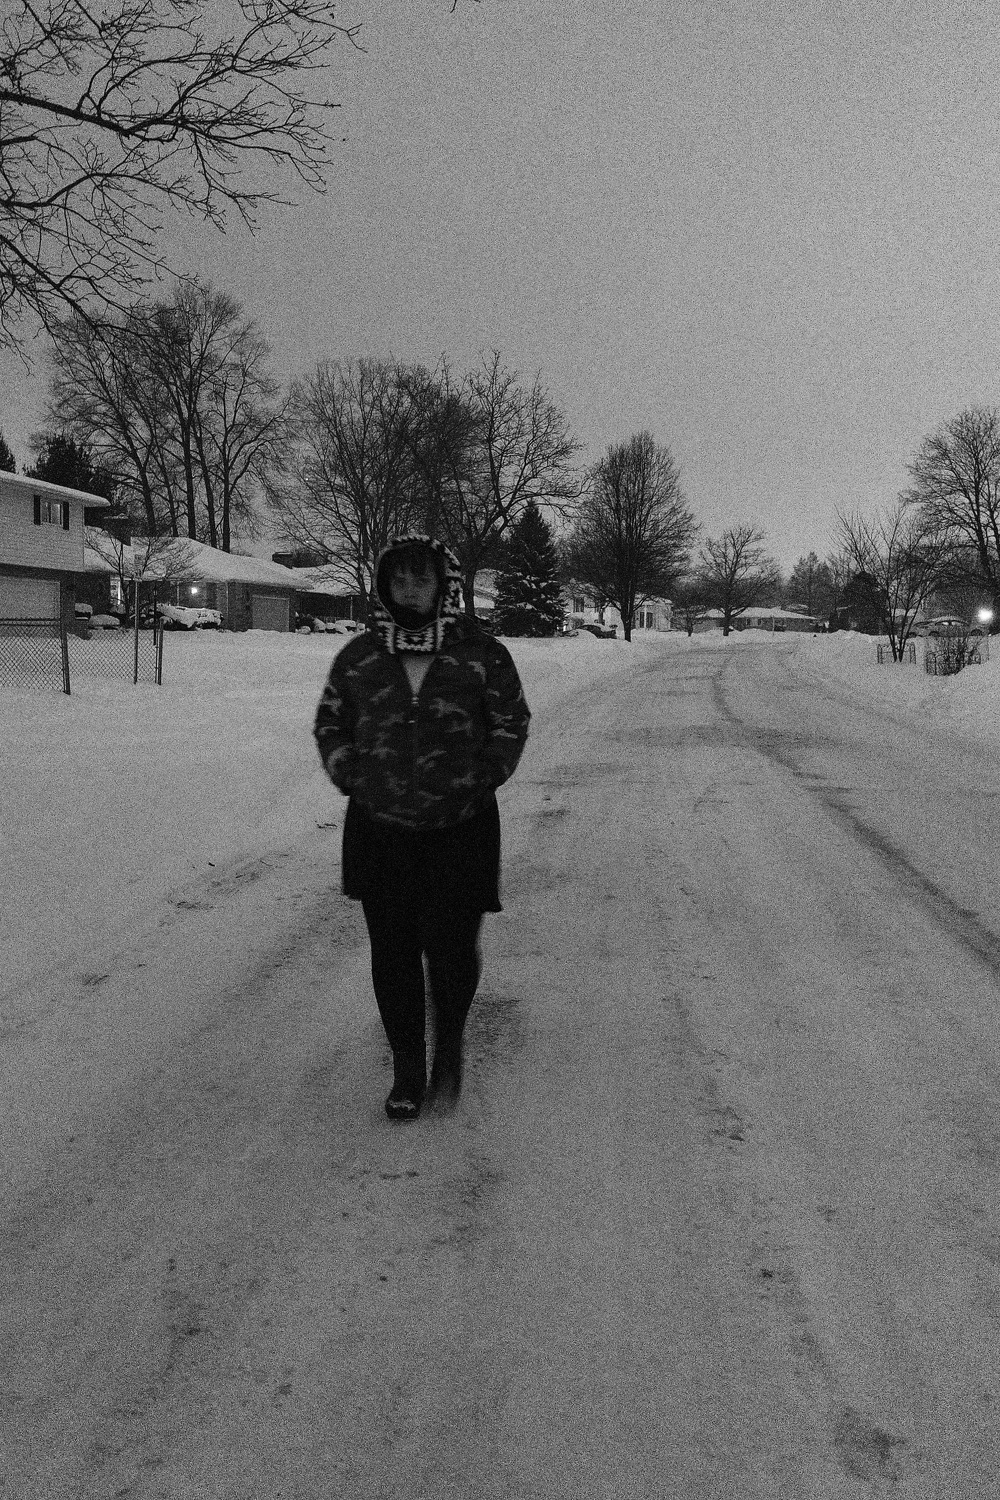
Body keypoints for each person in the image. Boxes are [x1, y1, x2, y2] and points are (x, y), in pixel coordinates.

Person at [314, 534, 530, 1121]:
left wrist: (486, 775)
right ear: (385, 586)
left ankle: (451, 1046)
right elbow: (331, 722)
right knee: (394, 952)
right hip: (380, 830)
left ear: (444, 585)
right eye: (399, 579)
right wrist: (349, 774)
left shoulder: (480, 653)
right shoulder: (359, 656)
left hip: (460, 828)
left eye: (422, 579)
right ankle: (408, 1068)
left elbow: (511, 718)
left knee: (453, 951)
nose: (410, 590)